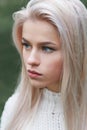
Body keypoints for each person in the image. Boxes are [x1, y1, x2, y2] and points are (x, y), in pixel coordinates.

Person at [0, 0, 87, 130]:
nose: (31, 60)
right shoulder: (14, 108)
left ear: (75, 51)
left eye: (46, 48)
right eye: (27, 45)